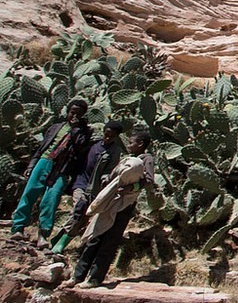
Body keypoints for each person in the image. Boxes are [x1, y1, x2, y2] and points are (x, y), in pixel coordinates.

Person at [66, 130, 155, 290]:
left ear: (140, 144)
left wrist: (131, 187)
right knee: (96, 235)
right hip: (111, 200)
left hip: (124, 204)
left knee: (109, 240)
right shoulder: (128, 159)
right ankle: (77, 276)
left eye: (131, 142)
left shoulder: (145, 159)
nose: (128, 145)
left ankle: (95, 278)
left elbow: (148, 180)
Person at [10, 99, 92, 248]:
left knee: (51, 201)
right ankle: (18, 228)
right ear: (67, 111)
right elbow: (42, 148)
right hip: (44, 161)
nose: (75, 116)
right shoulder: (55, 127)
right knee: (29, 194)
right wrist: (32, 165)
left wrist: (75, 129)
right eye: (72, 112)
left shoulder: (85, 132)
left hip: (62, 169)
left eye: (79, 114)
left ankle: (43, 235)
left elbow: (80, 148)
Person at [49, 120, 124, 254]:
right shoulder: (93, 143)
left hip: (95, 189)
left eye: (111, 136)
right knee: (78, 209)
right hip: (81, 182)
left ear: (116, 137)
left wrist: (105, 179)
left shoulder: (114, 151)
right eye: (106, 134)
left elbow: (110, 170)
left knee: (82, 217)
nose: (107, 138)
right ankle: (59, 244)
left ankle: (59, 240)